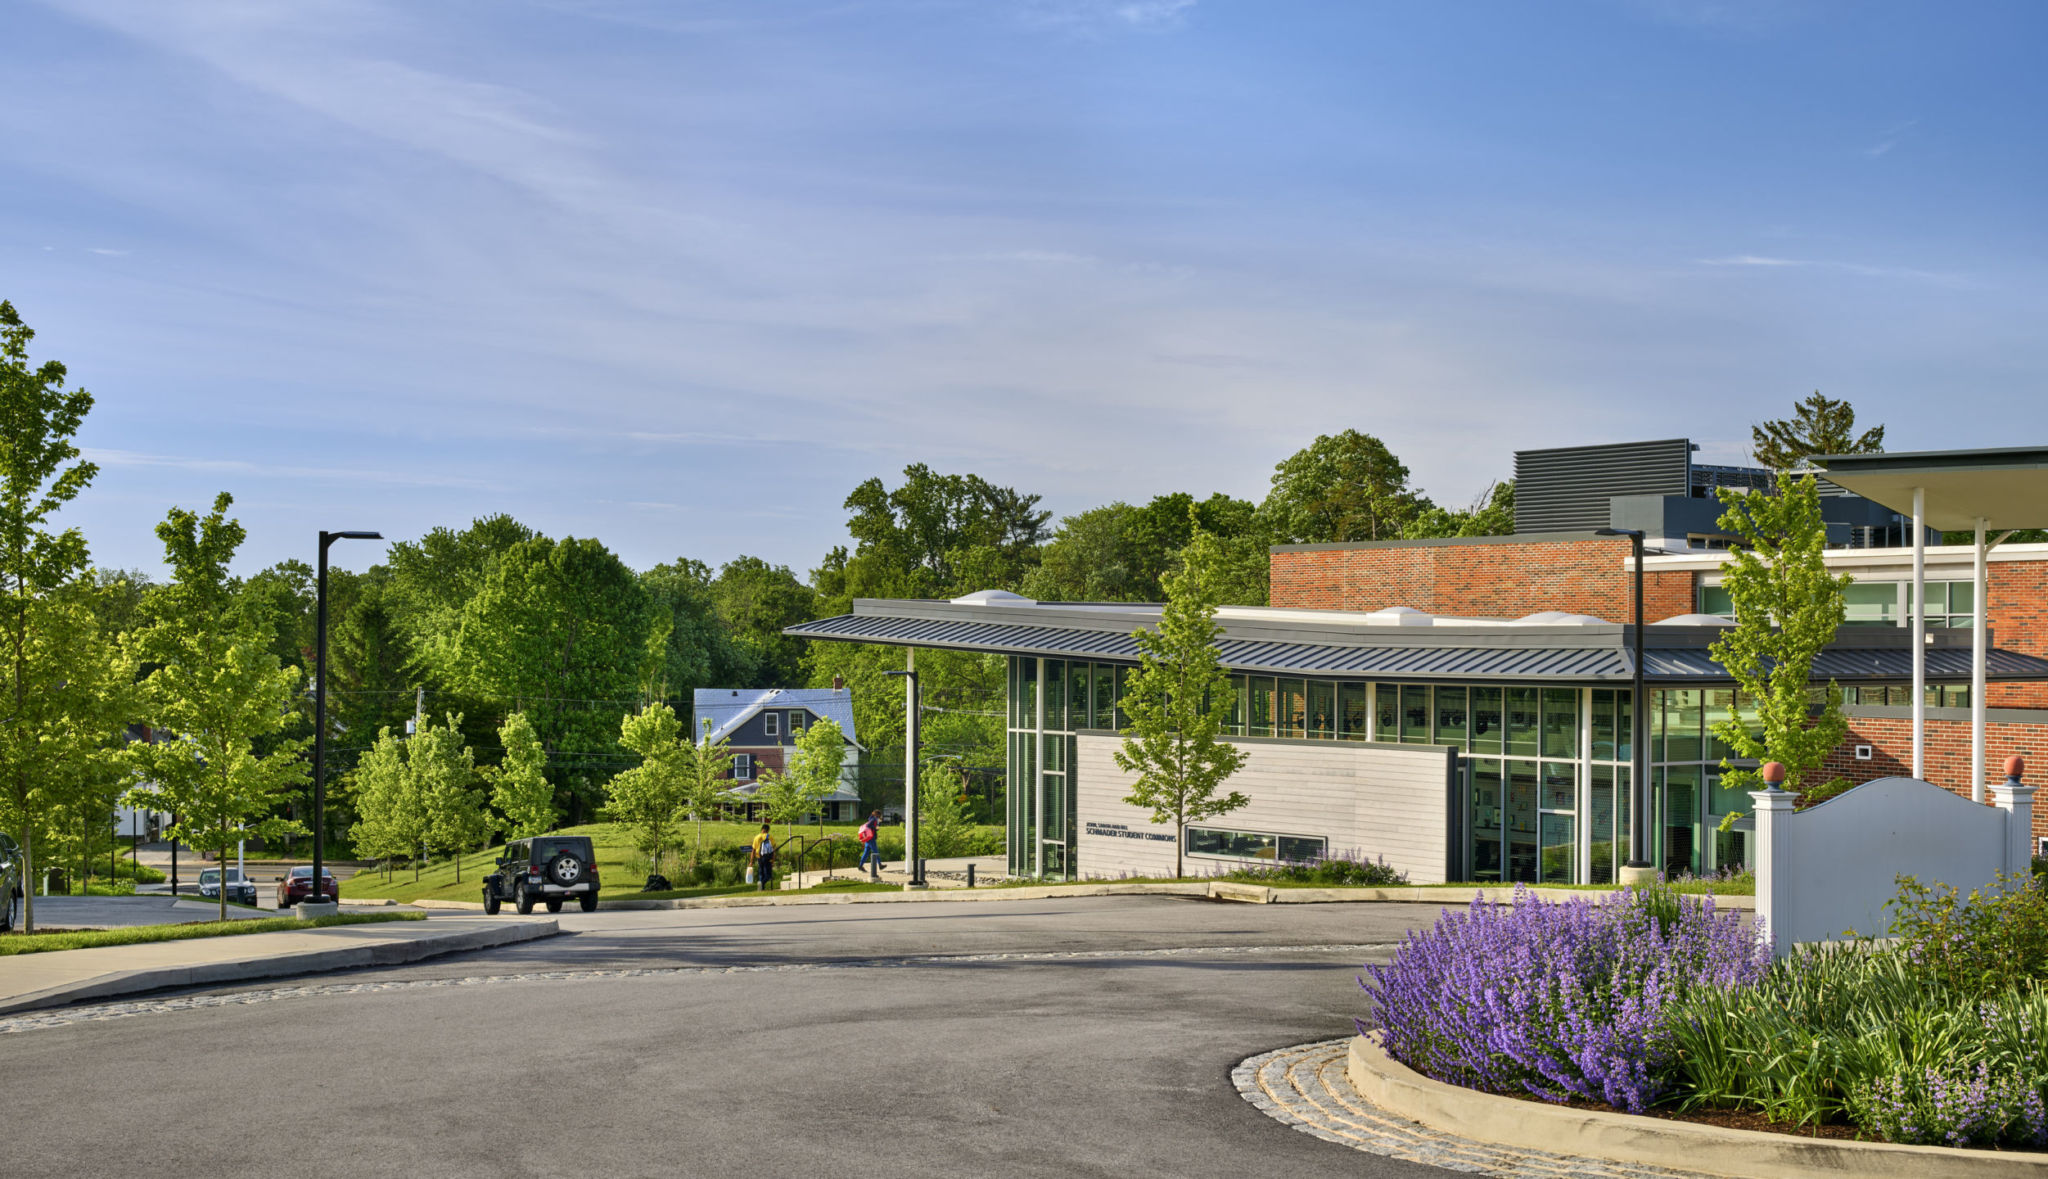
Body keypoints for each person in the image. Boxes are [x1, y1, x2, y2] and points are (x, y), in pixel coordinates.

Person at [749, 823, 776, 889]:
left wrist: (751, 861)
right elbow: (773, 849)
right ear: (768, 830)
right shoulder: (770, 837)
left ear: (762, 829)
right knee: (768, 875)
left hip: (759, 857)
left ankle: (761, 888)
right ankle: (762, 884)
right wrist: (773, 859)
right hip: (767, 857)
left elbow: (753, 850)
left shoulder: (756, 837)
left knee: (761, 873)